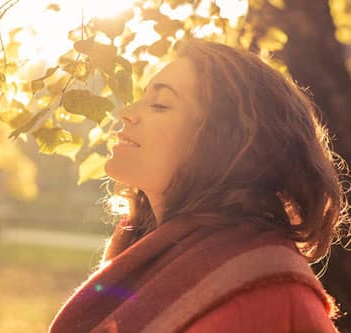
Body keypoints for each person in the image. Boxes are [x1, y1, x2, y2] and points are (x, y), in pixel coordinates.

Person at [48, 38, 349, 333]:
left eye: (161, 104)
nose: (125, 113)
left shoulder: (263, 292)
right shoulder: (143, 261)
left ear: (224, 141)